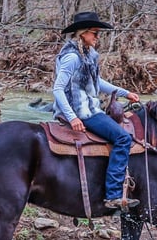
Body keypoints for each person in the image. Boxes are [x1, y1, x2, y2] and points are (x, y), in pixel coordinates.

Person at [52, 11, 141, 210]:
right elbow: (58, 89)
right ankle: (113, 195)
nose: (97, 37)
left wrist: (125, 93)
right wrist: (72, 117)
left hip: (90, 108)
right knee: (123, 138)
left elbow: (97, 82)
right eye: (95, 33)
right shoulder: (72, 57)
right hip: (82, 111)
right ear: (82, 33)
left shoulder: (88, 55)